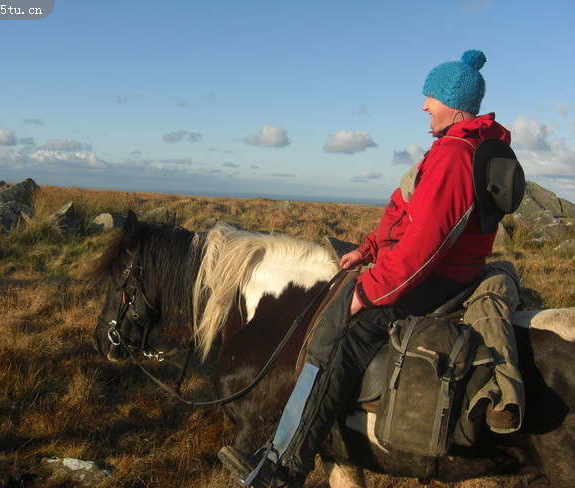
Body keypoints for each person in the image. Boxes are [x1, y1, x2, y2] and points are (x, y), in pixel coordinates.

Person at [219, 49, 513, 488]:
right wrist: (369, 247)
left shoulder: (455, 155)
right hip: (444, 268)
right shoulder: (457, 148)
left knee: (339, 333)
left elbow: (425, 247)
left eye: (430, 96)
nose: (423, 105)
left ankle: (286, 467)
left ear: (452, 101)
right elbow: (408, 212)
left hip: (441, 276)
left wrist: (369, 289)